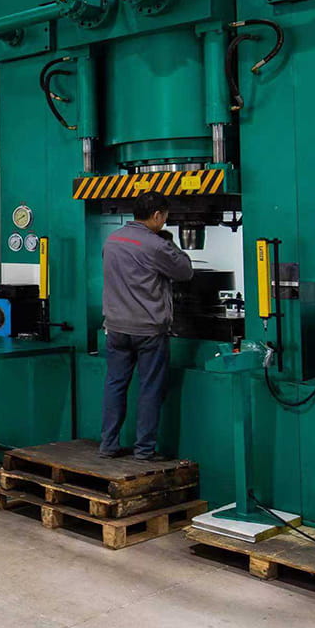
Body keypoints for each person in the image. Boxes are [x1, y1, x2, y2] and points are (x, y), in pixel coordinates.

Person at [99, 192, 193, 461]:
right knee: (150, 389)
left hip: (115, 328)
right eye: (165, 217)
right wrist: (171, 243)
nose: (165, 221)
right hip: (148, 331)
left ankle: (108, 446)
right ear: (157, 215)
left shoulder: (112, 240)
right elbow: (185, 272)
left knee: (115, 385)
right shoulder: (155, 245)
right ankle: (144, 450)